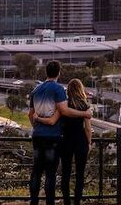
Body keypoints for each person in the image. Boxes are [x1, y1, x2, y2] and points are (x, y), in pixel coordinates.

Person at [27, 61, 92, 205]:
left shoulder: (36, 90)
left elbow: (30, 114)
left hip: (38, 136)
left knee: (37, 171)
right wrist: (85, 114)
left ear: (46, 72)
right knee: (51, 173)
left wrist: (37, 126)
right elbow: (63, 111)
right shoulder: (58, 89)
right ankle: (51, 202)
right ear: (59, 73)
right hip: (52, 137)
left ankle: (34, 201)